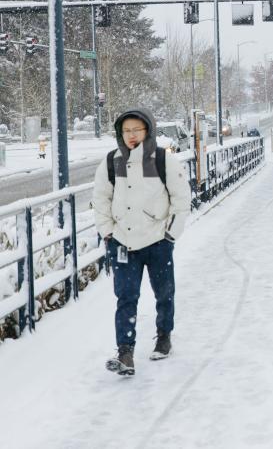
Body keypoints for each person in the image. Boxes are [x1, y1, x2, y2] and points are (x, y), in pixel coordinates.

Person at [93, 108, 191, 377]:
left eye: (137, 129)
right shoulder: (112, 162)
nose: (132, 135)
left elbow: (181, 198)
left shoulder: (161, 160)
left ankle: (163, 335)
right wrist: (108, 233)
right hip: (123, 244)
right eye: (126, 130)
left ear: (148, 130)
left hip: (158, 241)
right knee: (126, 297)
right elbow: (100, 199)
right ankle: (125, 351)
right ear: (119, 133)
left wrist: (171, 234)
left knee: (164, 293)